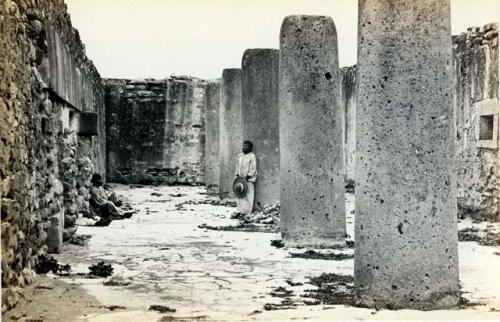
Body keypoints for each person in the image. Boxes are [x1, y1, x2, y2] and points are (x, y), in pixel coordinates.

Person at [235, 140, 257, 215]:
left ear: (250, 148)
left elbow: (253, 168)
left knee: (248, 195)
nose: (243, 148)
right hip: (241, 180)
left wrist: (248, 176)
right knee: (240, 195)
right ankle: (240, 210)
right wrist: (237, 175)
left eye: (245, 146)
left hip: (248, 179)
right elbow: (237, 166)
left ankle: (247, 212)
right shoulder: (240, 156)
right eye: (243, 146)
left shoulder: (252, 156)